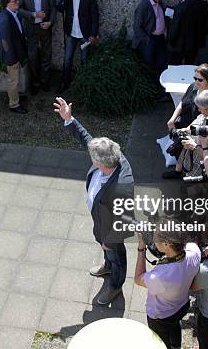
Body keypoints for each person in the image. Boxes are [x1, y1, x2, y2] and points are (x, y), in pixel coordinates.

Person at [54, 97, 134, 305]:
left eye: (92, 157)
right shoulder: (109, 155)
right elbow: (87, 139)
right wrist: (70, 119)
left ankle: (115, 286)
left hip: (112, 231)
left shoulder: (121, 187)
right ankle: (108, 265)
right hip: (101, 220)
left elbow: (124, 221)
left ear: (99, 162)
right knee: (108, 253)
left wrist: (109, 241)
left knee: (117, 256)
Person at [135, 220, 201, 349]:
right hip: (181, 305)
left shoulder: (160, 276)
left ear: (166, 244)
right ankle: (176, 346)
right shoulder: (194, 252)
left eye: (155, 237)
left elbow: (138, 279)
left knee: (160, 340)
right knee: (175, 326)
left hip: (161, 316)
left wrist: (141, 247)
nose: (153, 239)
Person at [162, 90, 208, 179]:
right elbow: (197, 121)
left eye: (200, 108)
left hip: (198, 171)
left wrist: (194, 147)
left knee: (194, 191)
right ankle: (179, 173)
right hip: (189, 160)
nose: (198, 110)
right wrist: (186, 130)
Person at [56, 0, 99, 94]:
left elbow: (95, 15)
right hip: (71, 33)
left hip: (85, 34)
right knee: (67, 58)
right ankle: (65, 82)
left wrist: (93, 34)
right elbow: (59, 9)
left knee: (85, 59)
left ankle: (84, 84)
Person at [17, 0, 56, 94]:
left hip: (45, 27)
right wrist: (33, 14)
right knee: (32, 55)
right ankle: (35, 82)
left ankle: (45, 81)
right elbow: (18, 9)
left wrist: (50, 22)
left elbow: (53, 8)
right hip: (31, 27)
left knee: (46, 54)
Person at [0, 0, 28, 114]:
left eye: (17, 0)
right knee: (13, 81)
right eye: (15, 1)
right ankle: (14, 104)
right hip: (12, 57)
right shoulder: (5, 20)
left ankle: (15, 97)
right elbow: (5, 43)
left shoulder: (13, 13)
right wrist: (12, 60)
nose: (18, 2)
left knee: (15, 79)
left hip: (17, 54)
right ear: (7, 3)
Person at [168, 0, 208, 65]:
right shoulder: (203, 5)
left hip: (180, 45)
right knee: (190, 66)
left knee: (176, 68)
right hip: (196, 43)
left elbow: (175, 28)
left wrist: (170, 41)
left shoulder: (180, 8)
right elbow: (207, 25)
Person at [166, 63, 208, 131]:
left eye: (200, 80)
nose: (196, 82)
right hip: (182, 125)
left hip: (198, 131)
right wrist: (172, 119)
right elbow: (182, 103)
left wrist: (188, 130)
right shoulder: (193, 86)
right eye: (195, 78)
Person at [132, 0, 168, 78]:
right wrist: (147, 40)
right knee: (149, 65)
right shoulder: (144, 6)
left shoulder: (159, 3)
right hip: (149, 39)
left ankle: (160, 85)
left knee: (161, 63)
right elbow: (136, 27)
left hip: (160, 39)